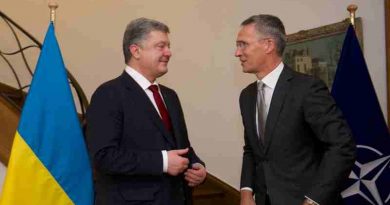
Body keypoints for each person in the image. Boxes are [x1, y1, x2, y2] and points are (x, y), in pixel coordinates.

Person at [235, 14, 356, 205]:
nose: (237, 53)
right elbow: (251, 149)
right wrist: (246, 192)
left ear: (268, 45)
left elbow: (342, 146)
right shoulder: (247, 96)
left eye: (243, 44)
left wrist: (314, 200)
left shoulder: (307, 89)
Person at [86, 17, 207, 205]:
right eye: (161, 46)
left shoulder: (170, 96)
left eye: (168, 46)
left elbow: (181, 147)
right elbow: (104, 156)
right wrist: (163, 162)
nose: (169, 52)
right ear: (136, 51)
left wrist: (197, 166)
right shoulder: (109, 94)